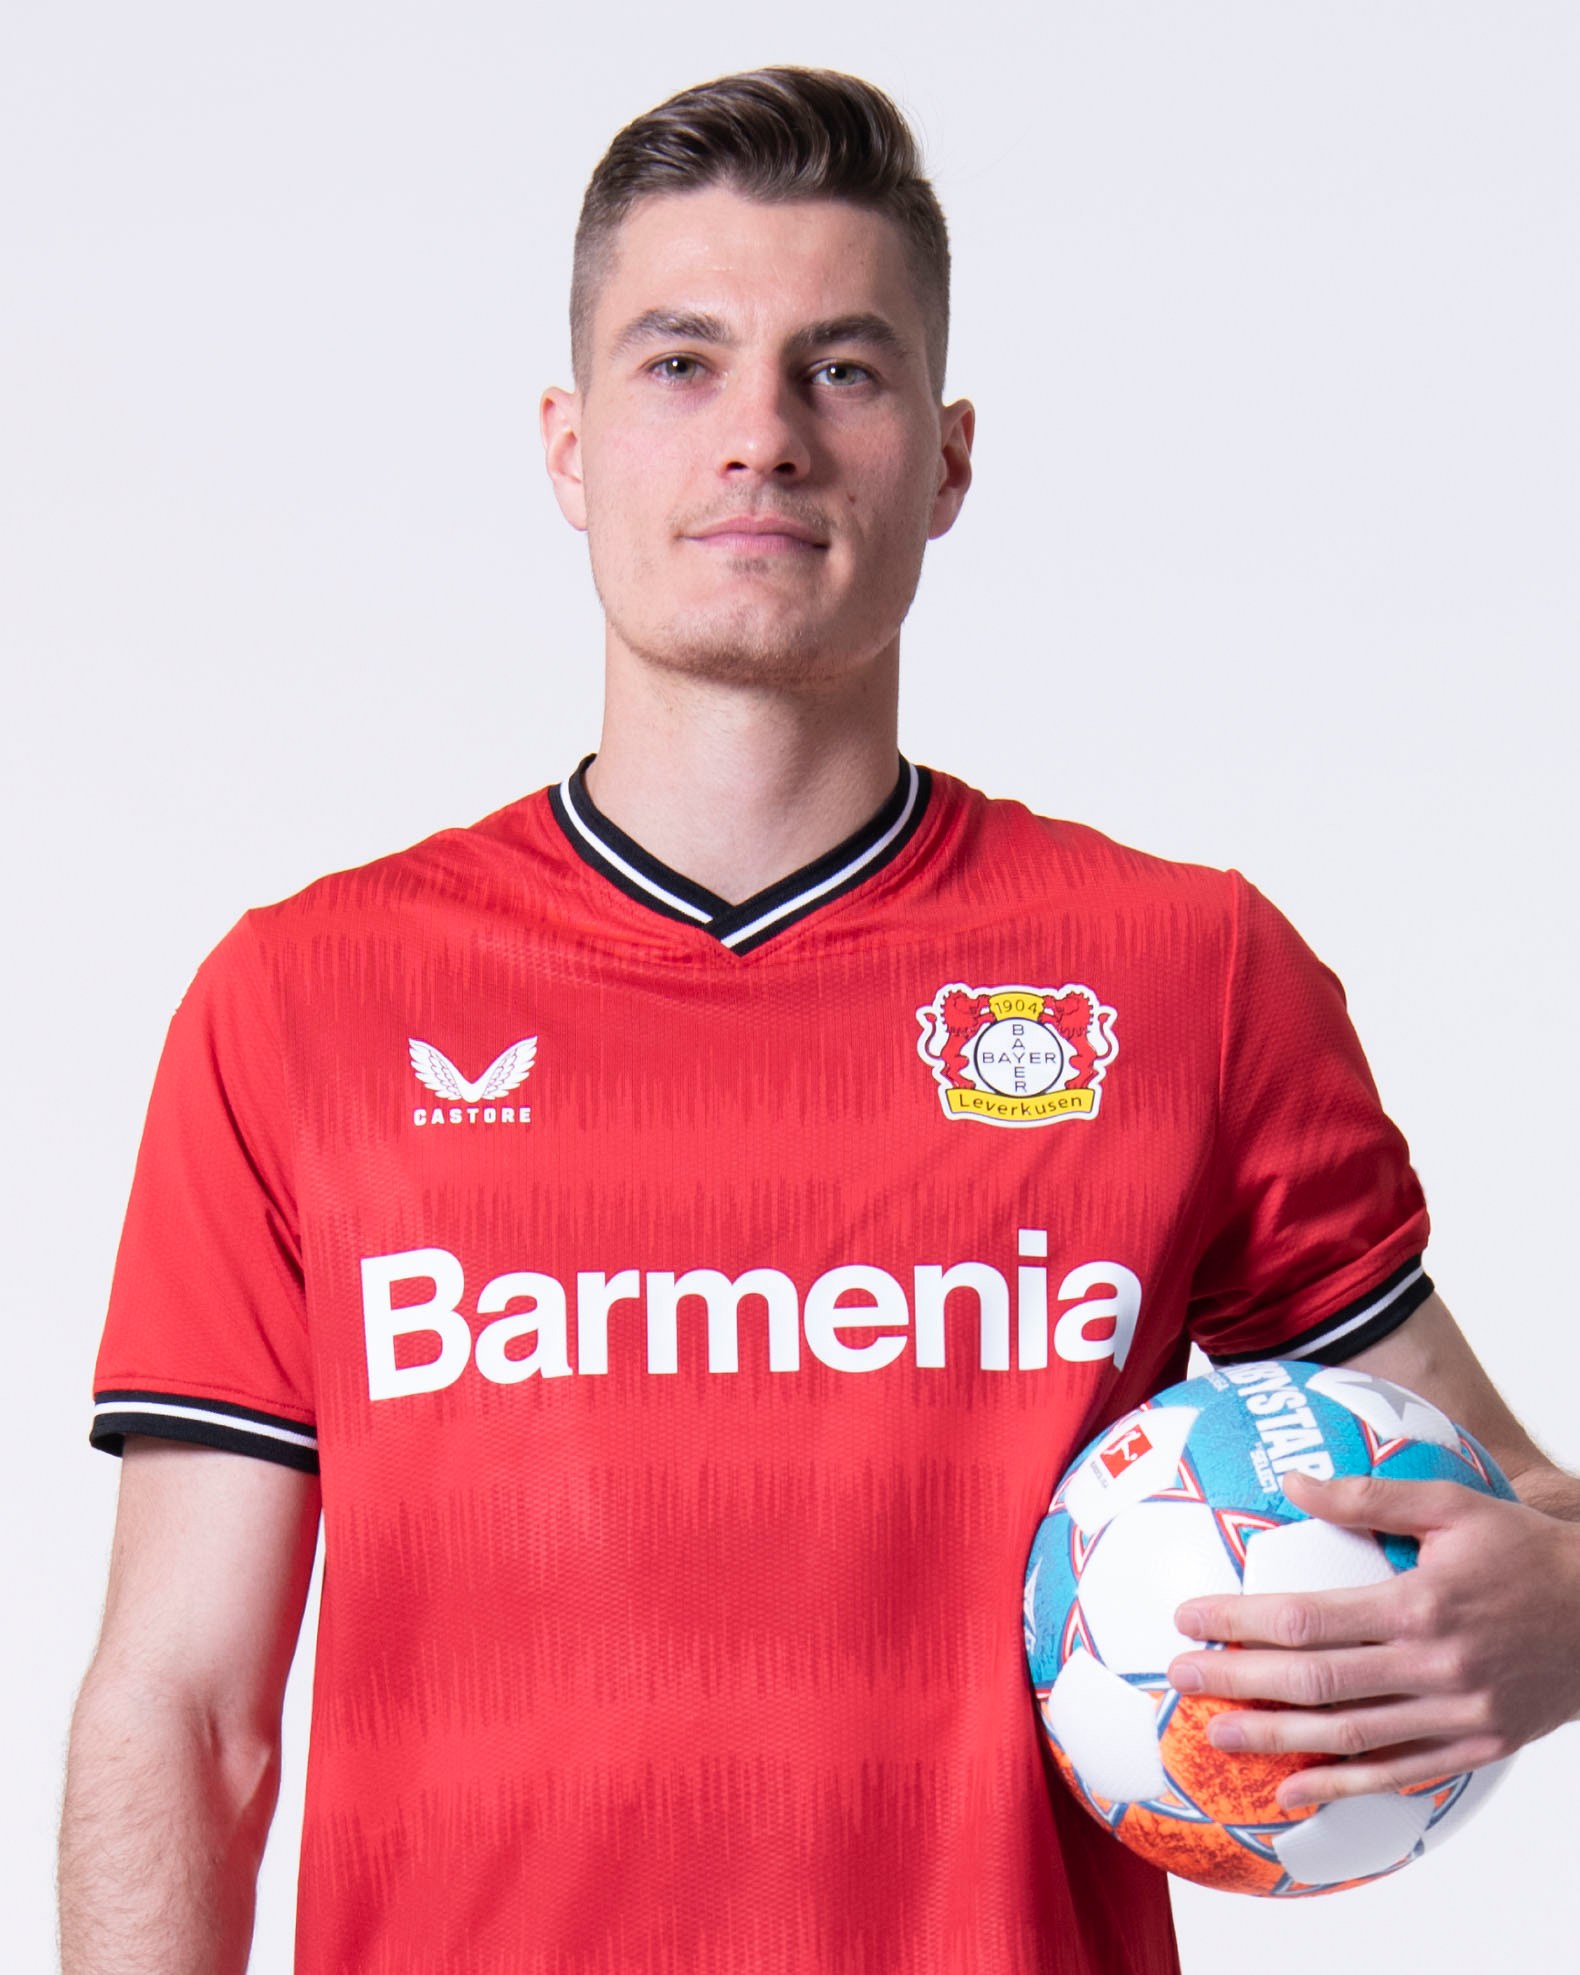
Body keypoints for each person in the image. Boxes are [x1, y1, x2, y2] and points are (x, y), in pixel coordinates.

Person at [59, 65, 1579, 1975]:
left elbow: (1513, 1505)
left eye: (840, 370)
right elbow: (187, 1711)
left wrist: (1563, 1618)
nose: (761, 438)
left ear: (946, 461)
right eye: (681, 364)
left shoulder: (1186, 975)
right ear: (569, 447)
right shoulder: (304, 1003)